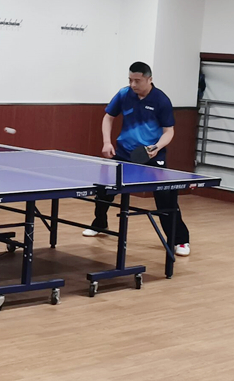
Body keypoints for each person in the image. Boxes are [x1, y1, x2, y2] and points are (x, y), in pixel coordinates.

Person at [82, 61, 191, 257]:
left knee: (166, 198)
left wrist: (157, 147)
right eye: (130, 80)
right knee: (104, 191)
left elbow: (169, 131)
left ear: (149, 79)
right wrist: (106, 142)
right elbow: (108, 117)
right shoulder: (124, 94)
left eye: (137, 81)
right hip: (124, 153)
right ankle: (100, 224)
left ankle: (180, 240)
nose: (133, 84)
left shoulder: (161, 100)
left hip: (151, 155)